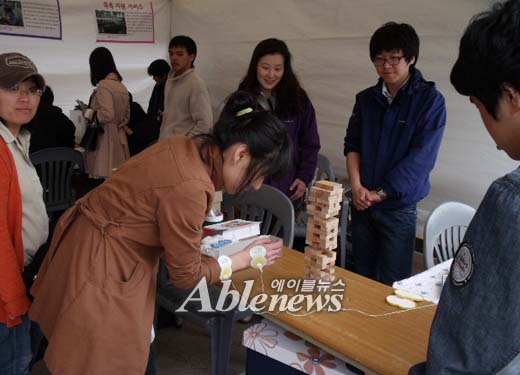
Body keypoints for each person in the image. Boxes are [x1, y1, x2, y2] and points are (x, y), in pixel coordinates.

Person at [28, 91, 292, 375]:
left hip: (97, 237)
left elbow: (156, 200)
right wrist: (242, 259)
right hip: (105, 258)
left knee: (121, 350)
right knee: (101, 358)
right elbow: (186, 275)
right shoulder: (192, 185)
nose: (256, 186)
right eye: (260, 174)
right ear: (241, 153)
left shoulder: (187, 146)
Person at [409, 1, 520, 373]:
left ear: (511, 97)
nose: (489, 134)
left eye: (478, 107)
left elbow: (458, 358)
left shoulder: (511, 203)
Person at [344, 22, 446, 285]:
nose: (386, 66)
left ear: (411, 58)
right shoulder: (366, 99)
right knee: (361, 275)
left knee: (394, 282)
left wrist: (381, 194)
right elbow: (353, 144)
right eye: (380, 59)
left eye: (394, 59)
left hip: (398, 207)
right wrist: (356, 187)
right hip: (362, 203)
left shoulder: (430, 101)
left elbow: (420, 160)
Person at [0, 52, 49, 375]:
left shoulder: (18, 140)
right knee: (14, 362)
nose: (24, 97)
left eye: (32, 89)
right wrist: (15, 299)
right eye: (13, 88)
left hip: (26, 277)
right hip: (7, 293)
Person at [236, 38, 320, 204]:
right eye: (265, 68)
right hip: (250, 188)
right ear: (255, 67)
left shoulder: (298, 99)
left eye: (278, 69)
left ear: (285, 69)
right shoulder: (242, 98)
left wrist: (304, 178)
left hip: (287, 187)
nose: (271, 75)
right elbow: (230, 140)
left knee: (281, 230)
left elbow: (310, 144)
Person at [83, 47, 132, 179]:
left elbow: (107, 114)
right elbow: (126, 117)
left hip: (105, 138)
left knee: (104, 178)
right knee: (116, 178)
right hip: (119, 136)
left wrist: (87, 113)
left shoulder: (103, 86)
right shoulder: (122, 87)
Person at [159, 35, 213, 139]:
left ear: (191, 57)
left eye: (179, 54)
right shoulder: (170, 80)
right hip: (166, 143)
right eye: (171, 53)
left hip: (180, 148)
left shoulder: (196, 84)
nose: (174, 58)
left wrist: (184, 143)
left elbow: (205, 124)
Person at [27, 86, 75, 153]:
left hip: (32, 162)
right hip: (63, 162)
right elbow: (70, 147)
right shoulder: (66, 121)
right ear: (51, 99)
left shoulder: (26, 122)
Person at [146, 59, 170, 125]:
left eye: (154, 75)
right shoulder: (157, 87)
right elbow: (151, 106)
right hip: (154, 124)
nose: (153, 78)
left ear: (163, 75)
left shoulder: (172, 89)